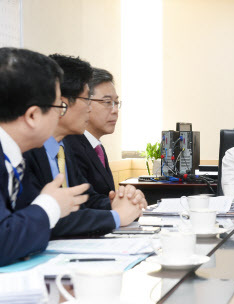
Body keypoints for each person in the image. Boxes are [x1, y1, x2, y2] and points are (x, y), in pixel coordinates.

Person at [22, 54, 146, 238]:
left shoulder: (63, 147)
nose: (89, 108)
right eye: (86, 100)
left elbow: (86, 198)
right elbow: (46, 219)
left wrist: (121, 202)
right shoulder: (28, 151)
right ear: (61, 102)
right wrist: (116, 216)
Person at [0, 48, 90, 266]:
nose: (61, 113)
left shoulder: (15, 158)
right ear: (32, 115)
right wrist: (50, 205)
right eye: (59, 106)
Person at [66, 68, 118, 196]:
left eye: (116, 102)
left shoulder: (96, 147)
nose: (115, 110)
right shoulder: (71, 146)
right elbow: (86, 201)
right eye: (107, 102)